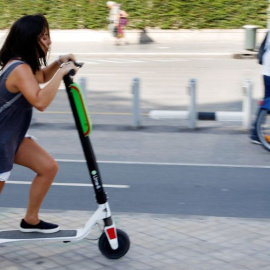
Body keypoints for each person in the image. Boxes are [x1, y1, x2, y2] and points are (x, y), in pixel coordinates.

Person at [0, 14, 78, 233]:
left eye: (48, 36)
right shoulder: (18, 69)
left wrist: (59, 61)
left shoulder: (23, 65)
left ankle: (31, 220)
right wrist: (61, 73)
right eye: (44, 37)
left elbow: (42, 76)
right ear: (29, 39)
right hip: (1, 139)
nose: (49, 42)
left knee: (48, 167)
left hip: (12, 135)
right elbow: (40, 102)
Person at [250, 31, 270, 144]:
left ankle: (255, 133)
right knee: (267, 102)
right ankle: (255, 134)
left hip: (267, 71)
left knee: (267, 102)